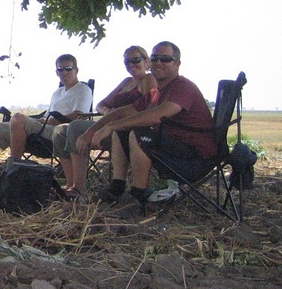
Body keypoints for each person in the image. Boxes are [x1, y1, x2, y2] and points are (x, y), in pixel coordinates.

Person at [76, 41, 217, 207]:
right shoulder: (156, 93)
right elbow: (122, 112)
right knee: (122, 130)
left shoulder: (183, 87)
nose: (158, 62)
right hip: (174, 151)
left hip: (195, 158)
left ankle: (137, 196)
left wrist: (111, 126)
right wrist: (91, 132)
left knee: (139, 133)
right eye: (155, 58)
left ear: (177, 64)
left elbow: (156, 116)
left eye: (165, 58)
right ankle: (117, 188)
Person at [0, 54, 93, 173]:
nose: (64, 72)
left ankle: (13, 169)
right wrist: (42, 120)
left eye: (68, 68)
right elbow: (45, 116)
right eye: (60, 69)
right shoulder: (57, 93)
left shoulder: (83, 90)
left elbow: (78, 117)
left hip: (60, 133)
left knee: (18, 118)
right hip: (42, 127)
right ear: (56, 72)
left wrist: (51, 120)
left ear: (76, 70)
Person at [53, 46, 157, 198]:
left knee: (75, 126)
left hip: (127, 129)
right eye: (127, 61)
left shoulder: (148, 79)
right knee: (62, 130)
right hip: (110, 123)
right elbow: (100, 105)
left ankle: (79, 187)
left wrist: (111, 118)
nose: (131, 64)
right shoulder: (126, 82)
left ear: (147, 62)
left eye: (136, 60)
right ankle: (74, 185)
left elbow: (144, 109)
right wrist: (108, 112)